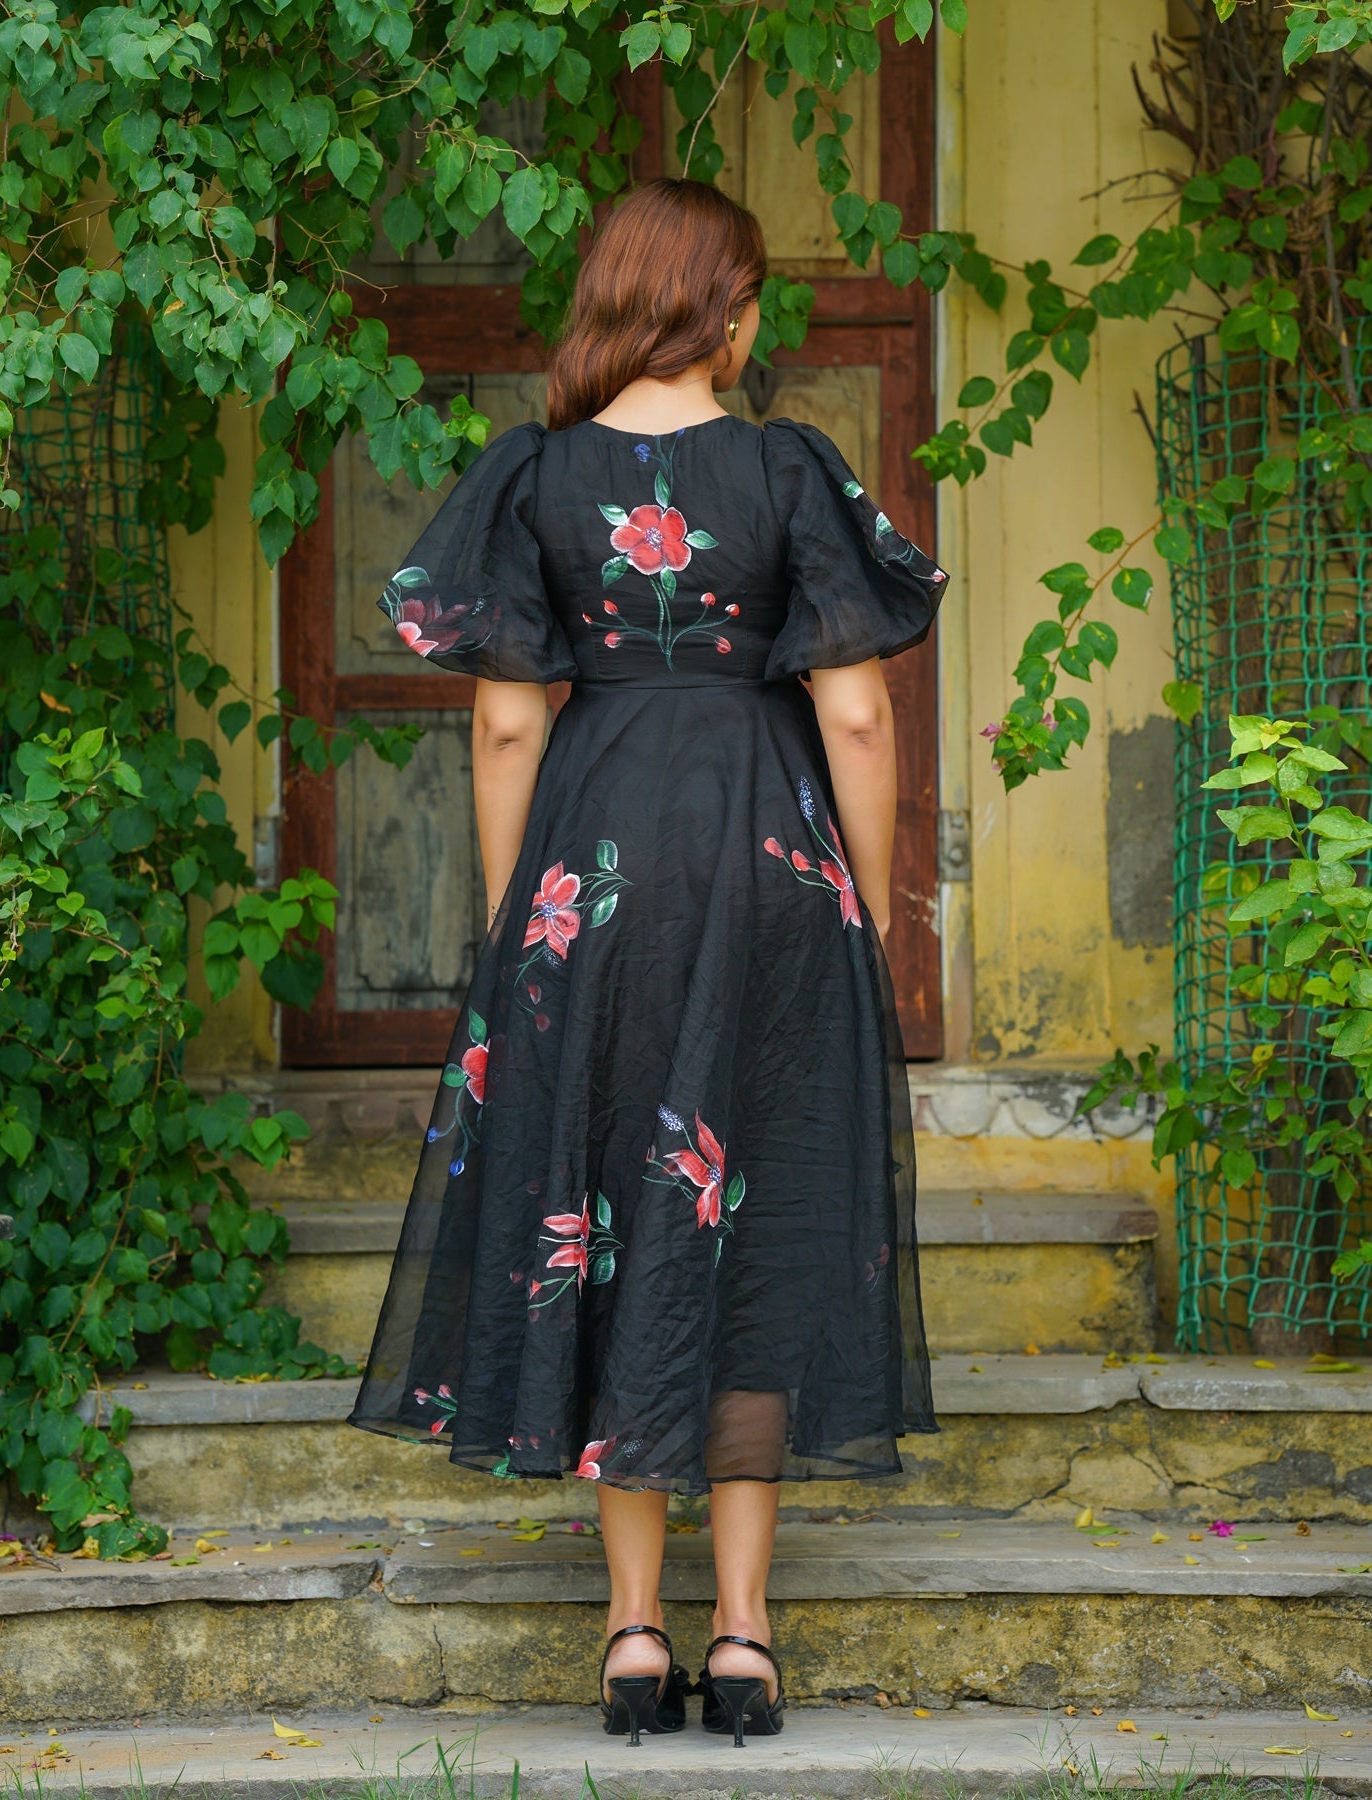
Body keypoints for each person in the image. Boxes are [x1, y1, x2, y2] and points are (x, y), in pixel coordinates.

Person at [348, 176, 943, 1748]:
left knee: (598, 1205)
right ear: (725, 309)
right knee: (755, 1217)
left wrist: (514, 921)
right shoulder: (787, 467)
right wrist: (863, 906)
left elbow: (500, 717)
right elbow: (861, 709)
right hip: (765, 868)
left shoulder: (533, 476)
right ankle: (742, 1638)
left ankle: (631, 1632)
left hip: (592, 873)